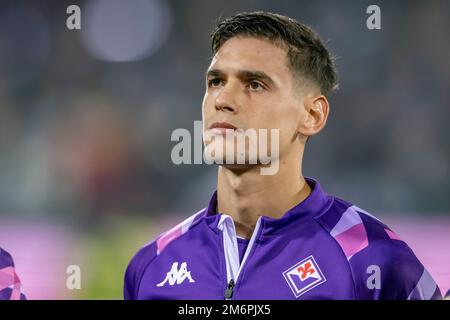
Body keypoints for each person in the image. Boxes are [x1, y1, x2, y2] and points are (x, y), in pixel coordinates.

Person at [124, 11, 441, 300]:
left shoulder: (371, 257)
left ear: (313, 115)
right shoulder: (152, 265)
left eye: (255, 84)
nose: (223, 99)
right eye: (216, 81)